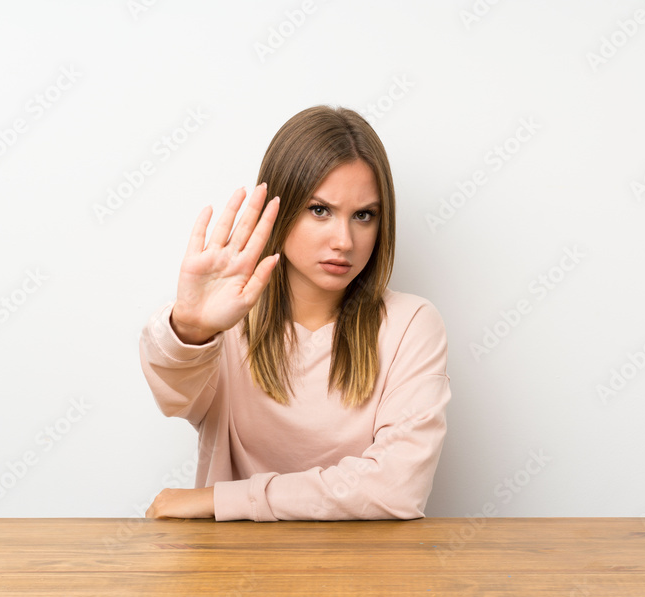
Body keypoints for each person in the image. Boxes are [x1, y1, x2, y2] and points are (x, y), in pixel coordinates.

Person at [138, 105, 451, 521]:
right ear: (279, 210)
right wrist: (190, 330)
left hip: (368, 578)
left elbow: (396, 489)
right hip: (230, 574)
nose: (344, 240)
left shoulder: (411, 324)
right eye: (320, 210)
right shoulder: (227, 324)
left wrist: (224, 500)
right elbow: (172, 394)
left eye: (364, 215)